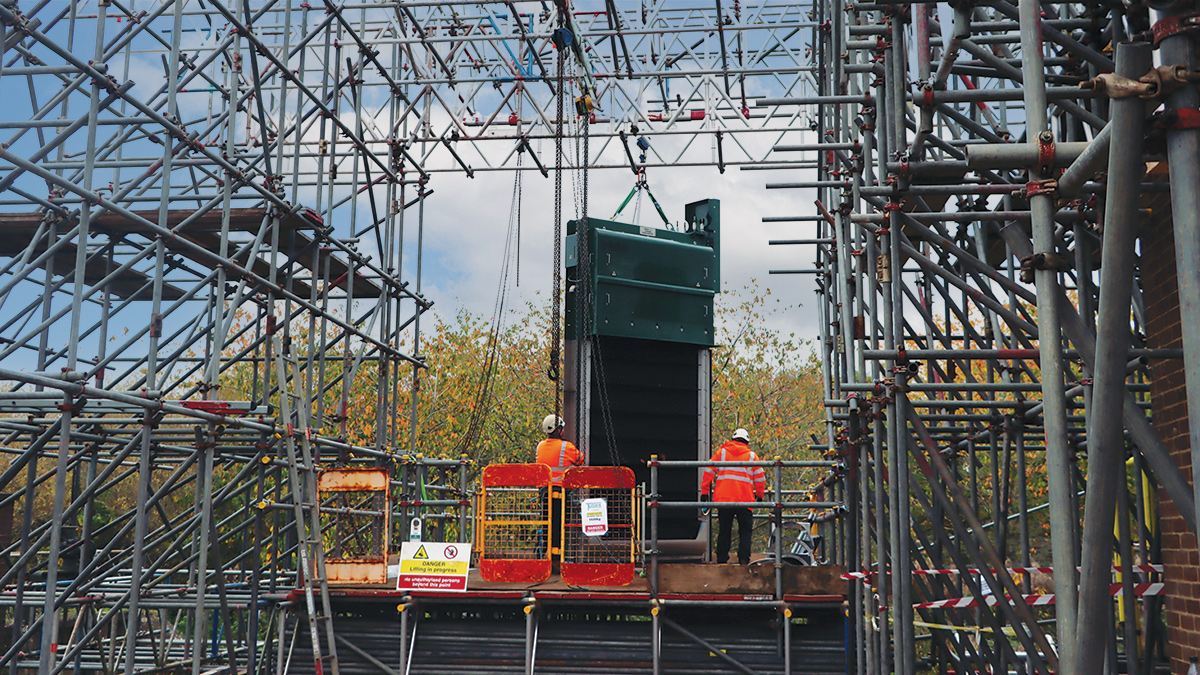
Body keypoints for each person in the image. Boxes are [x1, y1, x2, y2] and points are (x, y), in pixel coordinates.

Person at [701, 428, 765, 565]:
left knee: (724, 529)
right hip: (745, 499)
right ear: (747, 441)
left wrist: (705, 492)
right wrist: (759, 495)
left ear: (733, 439)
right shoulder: (752, 456)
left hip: (724, 499)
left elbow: (708, 471)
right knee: (745, 531)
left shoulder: (722, 452)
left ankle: (722, 559)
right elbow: (760, 478)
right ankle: (743, 559)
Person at [535, 414, 584, 483]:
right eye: (562, 428)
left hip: (544, 488)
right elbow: (580, 460)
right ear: (559, 430)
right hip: (562, 488)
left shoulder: (540, 446)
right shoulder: (566, 446)